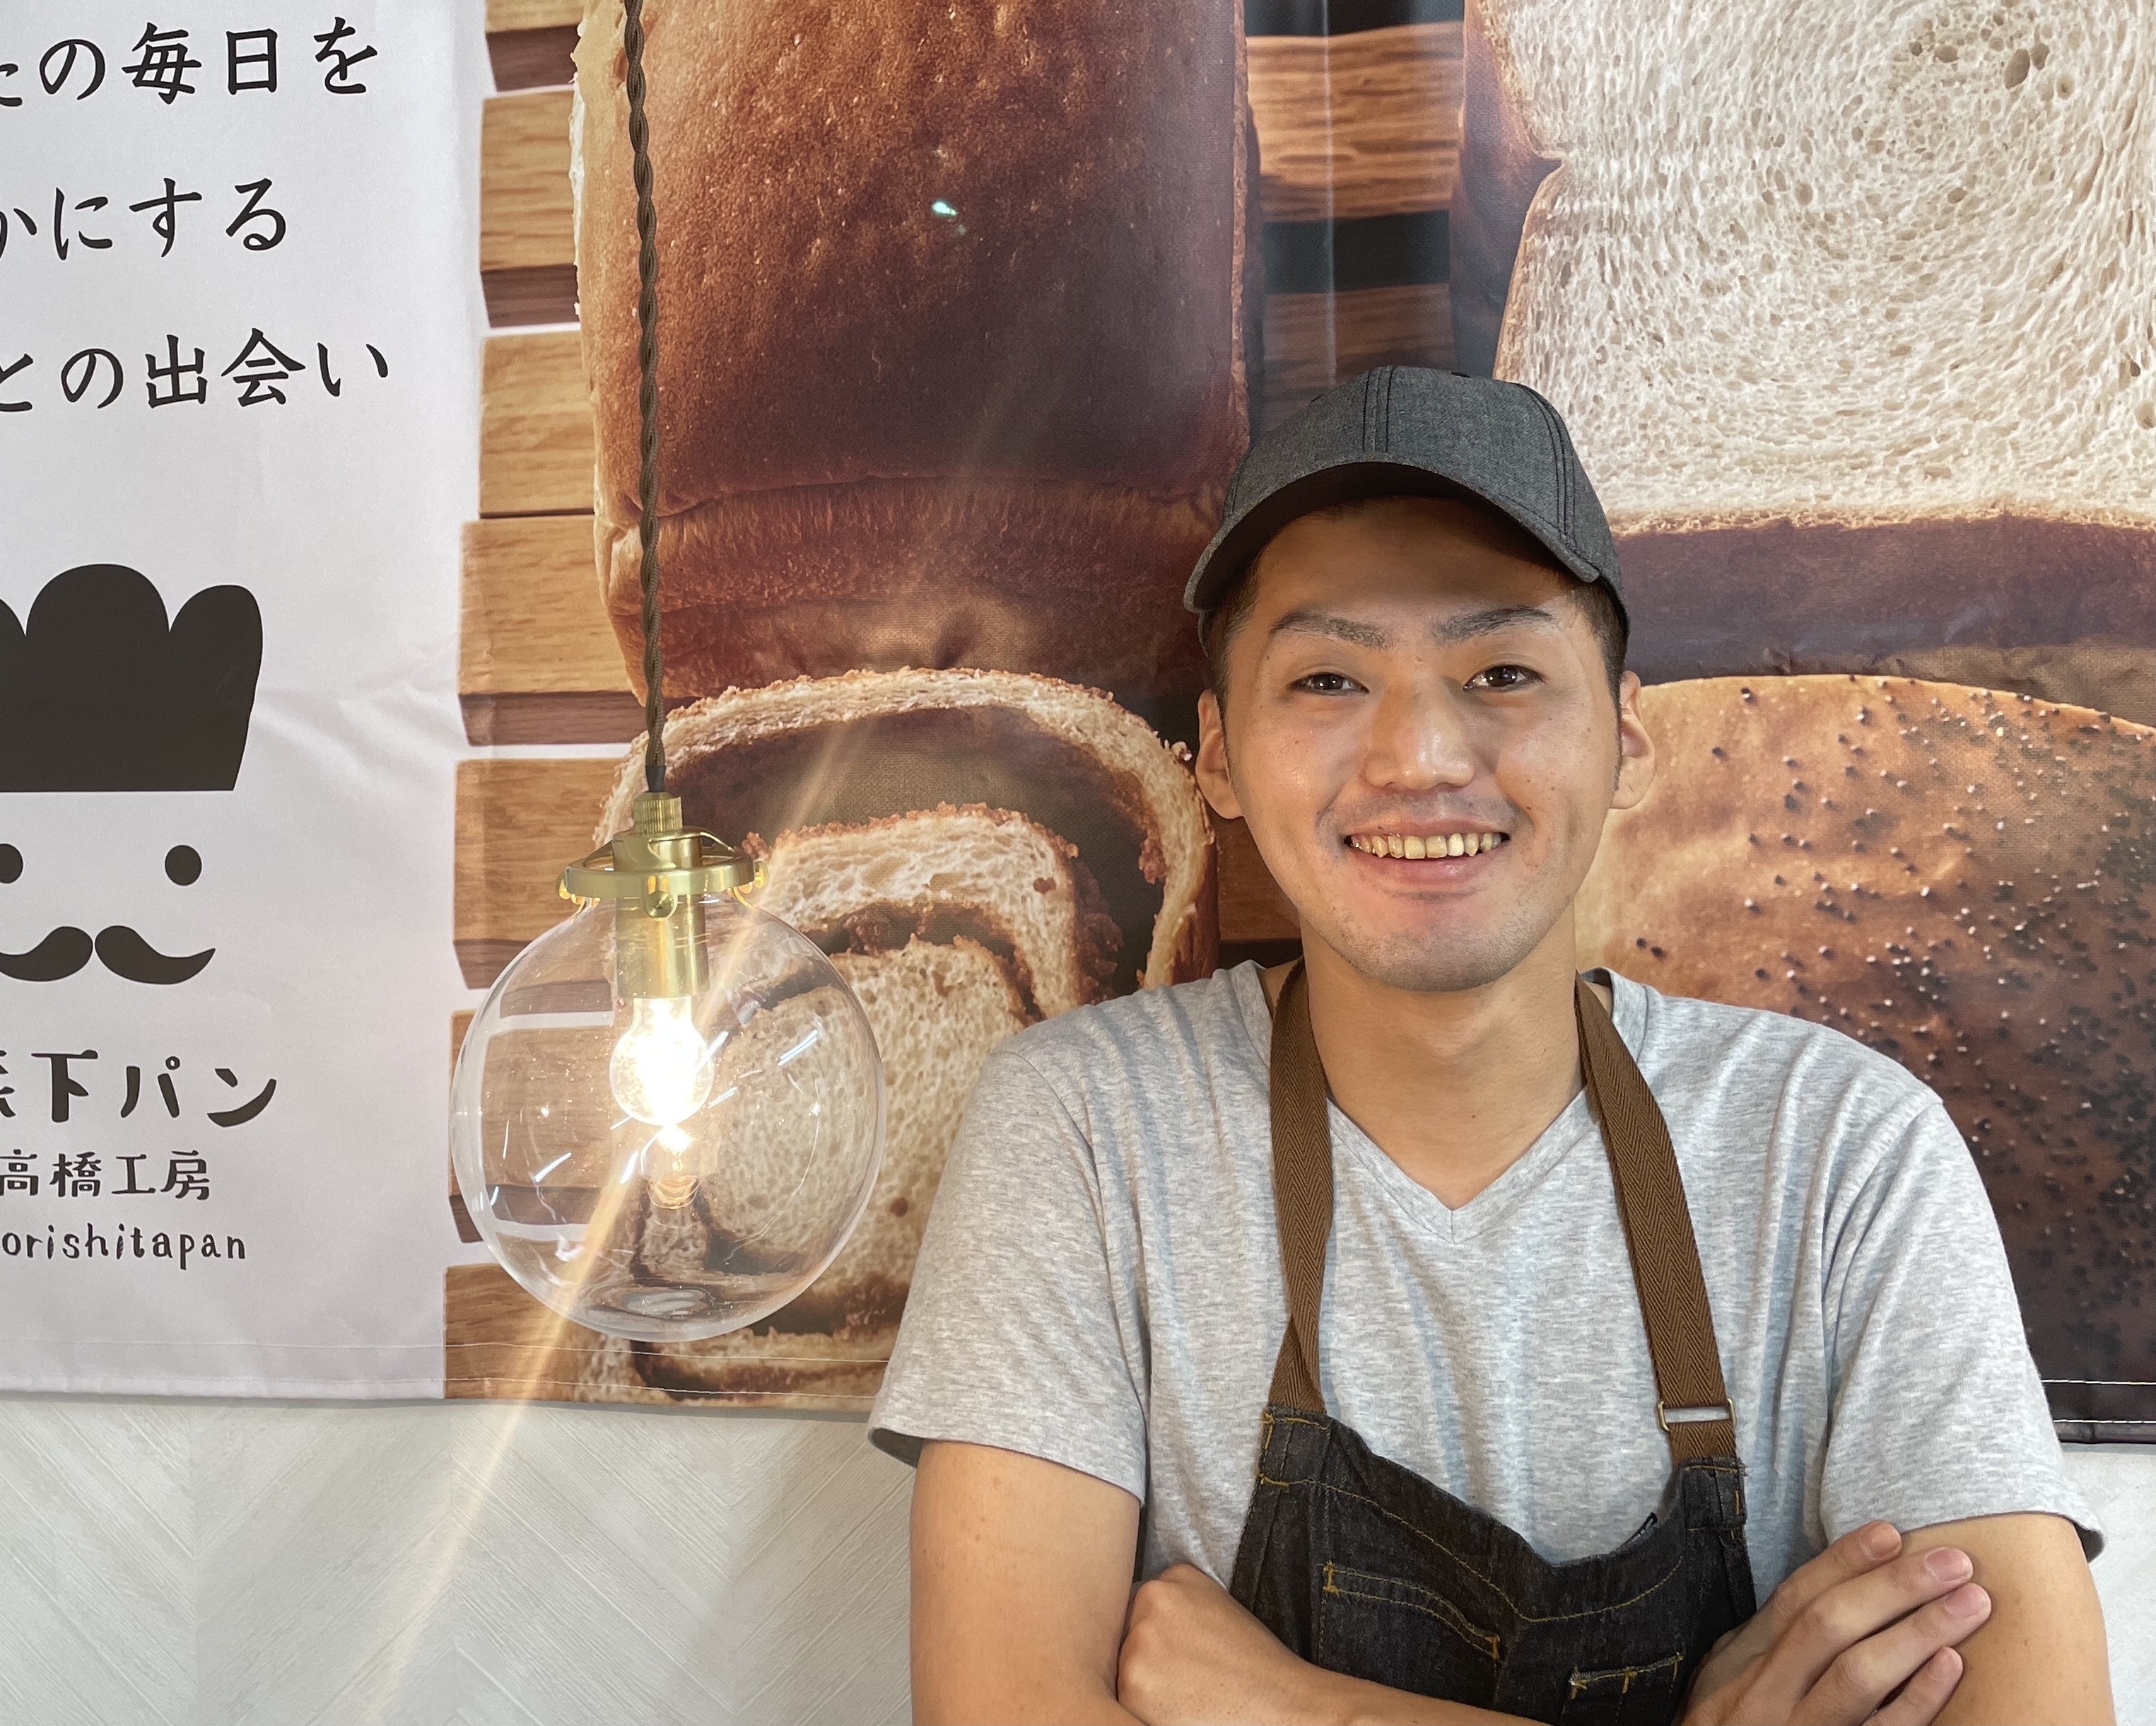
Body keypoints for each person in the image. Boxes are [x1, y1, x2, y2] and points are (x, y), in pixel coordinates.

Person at [867, 367, 2110, 1725]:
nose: (1419, 754)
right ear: (1216, 753)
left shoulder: (1845, 1149)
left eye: (1504, 671)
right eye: (1329, 677)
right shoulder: (1086, 1133)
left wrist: (1303, 1710)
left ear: (1624, 729)